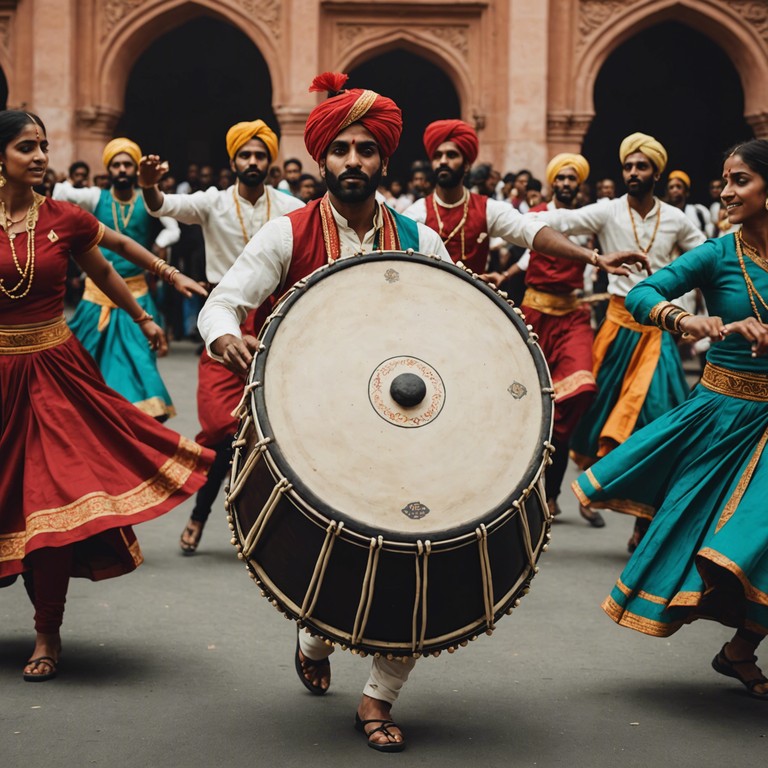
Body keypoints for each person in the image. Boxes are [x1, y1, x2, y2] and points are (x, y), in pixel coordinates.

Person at [198, 71, 455, 754]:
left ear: (384, 160)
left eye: (366, 150)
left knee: (417, 556)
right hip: (313, 425)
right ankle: (315, 632)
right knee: (331, 558)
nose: (352, 162)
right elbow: (222, 301)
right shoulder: (287, 233)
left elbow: (458, 328)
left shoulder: (422, 239)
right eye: (340, 150)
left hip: (409, 425)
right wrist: (225, 334)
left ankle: (380, 694)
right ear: (321, 158)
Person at [0, 110, 214, 682]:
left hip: (53, 376)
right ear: (1, 157)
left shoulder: (64, 218)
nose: (41, 155)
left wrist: (156, 300)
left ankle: (48, 633)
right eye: (27, 147)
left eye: (44, 145)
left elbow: (113, 256)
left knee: (53, 498)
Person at [573, 138, 768, 699]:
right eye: (726, 180)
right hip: (725, 419)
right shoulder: (717, 254)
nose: (726, 191)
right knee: (733, 541)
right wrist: (686, 321)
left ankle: (740, 649)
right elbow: (645, 292)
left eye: (740, 181)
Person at [532, 133, 706, 548]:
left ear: (656, 173)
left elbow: (706, 258)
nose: (633, 173)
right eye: (628, 166)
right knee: (588, 418)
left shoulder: (678, 220)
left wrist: (686, 314)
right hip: (613, 332)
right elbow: (556, 221)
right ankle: (576, 493)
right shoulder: (607, 212)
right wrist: (517, 220)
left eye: (641, 167)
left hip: (658, 334)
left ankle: (643, 522)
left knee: (658, 420)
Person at [140, 121, 304, 555]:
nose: (252, 162)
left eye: (259, 155)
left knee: (269, 429)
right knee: (220, 426)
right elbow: (162, 206)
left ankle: (232, 521)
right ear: (232, 161)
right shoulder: (212, 203)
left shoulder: (290, 206)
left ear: (270, 161)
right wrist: (150, 188)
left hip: (274, 320)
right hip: (223, 322)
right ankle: (208, 516)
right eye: (245, 155)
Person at [53, 138, 202, 420]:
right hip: (95, 297)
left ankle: (142, 421)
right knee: (86, 361)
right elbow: (61, 195)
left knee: (141, 359)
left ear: (135, 170)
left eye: (127, 165)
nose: (121, 169)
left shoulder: (146, 202)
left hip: (137, 293)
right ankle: (93, 419)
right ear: (109, 169)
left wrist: (158, 243)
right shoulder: (96, 197)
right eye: (116, 165)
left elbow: (173, 229)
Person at [405, 119, 647, 282]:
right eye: (437, 156)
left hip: (472, 309)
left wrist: (594, 258)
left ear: (467, 164)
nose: (443, 161)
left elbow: (530, 232)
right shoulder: (415, 215)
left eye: (451, 155)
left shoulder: (488, 208)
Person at [499, 154, 601, 524]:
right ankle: (526, 490)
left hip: (573, 315)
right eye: (562, 177)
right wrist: (505, 272)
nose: (567, 183)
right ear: (553, 182)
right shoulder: (536, 215)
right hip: (536, 314)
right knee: (523, 402)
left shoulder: (590, 218)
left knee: (579, 392)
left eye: (573, 178)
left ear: (580, 184)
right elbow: (528, 257)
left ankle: (557, 489)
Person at [665, 170, 715, 237]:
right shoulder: (663, 215)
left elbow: (711, 237)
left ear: (686, 192)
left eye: (678, 186)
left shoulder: (699, 211)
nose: (675, 190)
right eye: (671, 187)